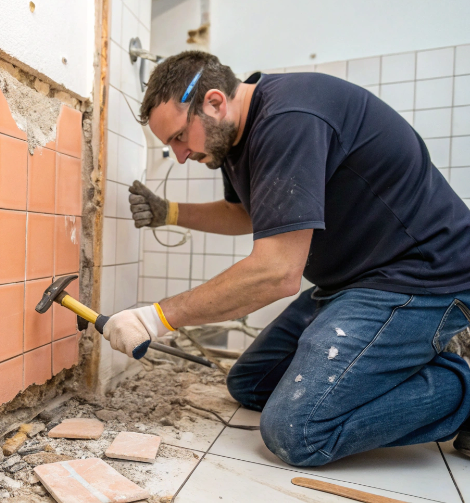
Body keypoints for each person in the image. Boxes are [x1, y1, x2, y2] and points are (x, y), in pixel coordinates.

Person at [104, 50, 470, 467]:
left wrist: (156, 317)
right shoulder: (233, 137)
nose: (181, 154)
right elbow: (245, 212)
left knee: (297, 432)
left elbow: (277, 273)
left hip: (420, 277)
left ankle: (460, 387)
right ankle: (398, 360)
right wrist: (168, 212)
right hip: (352, 283)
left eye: (178, 138)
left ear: (215, 102)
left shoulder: (289, 120)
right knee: (250, 382)